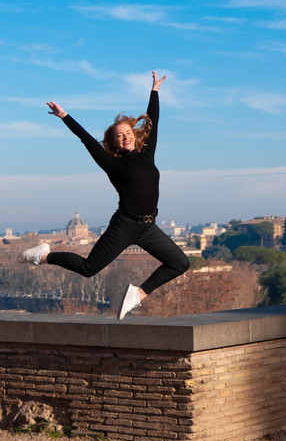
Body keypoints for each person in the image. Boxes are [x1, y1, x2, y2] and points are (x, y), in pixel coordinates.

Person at [18, 71, 190, 320]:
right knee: (89, 269)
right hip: (125, 225)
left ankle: (138, 295)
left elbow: (153, 121)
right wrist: (65, 116)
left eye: (128, 132)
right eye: (119, 135)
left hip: (149, 227)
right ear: (115, 142)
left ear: (135, 135)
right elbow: (87, 140)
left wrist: (154, 91)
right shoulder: (112, 164)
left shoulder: (146, 154)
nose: (126, 136)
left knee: (180, 264)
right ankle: (42, 255)